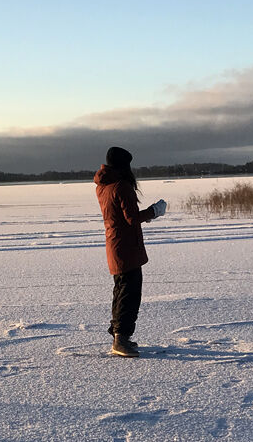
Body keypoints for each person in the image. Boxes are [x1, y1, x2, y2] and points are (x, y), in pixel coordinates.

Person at [94, 146, 166, 357]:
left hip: (116, 246)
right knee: (129, 294)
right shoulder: (121, 186)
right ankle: (121, 339)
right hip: (126, 248)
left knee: (121, 291)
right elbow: (132, 218)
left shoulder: (103, 185)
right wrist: (155, 211)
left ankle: (120, 336)